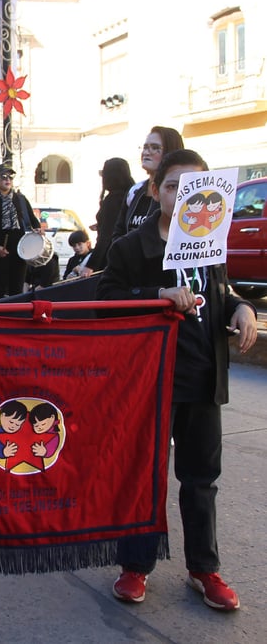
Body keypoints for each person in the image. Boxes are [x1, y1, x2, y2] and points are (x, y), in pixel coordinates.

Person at [96, 149, 258, 611]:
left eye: (196, 187)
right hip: (149, 380)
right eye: (174, 186)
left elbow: (219, 295)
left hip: (203, 377)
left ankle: (204, 569)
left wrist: (240, 308)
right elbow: (105, 299)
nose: (186, 196)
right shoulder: (132, 247)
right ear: (155, 190)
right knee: (143, 476)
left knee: (201, 479)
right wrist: (157, 296)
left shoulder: (211, 241)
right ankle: (135, 565)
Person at [0, 164, 42, 299]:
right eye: (4, 177)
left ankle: (15, 317)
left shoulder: (20, 198)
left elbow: (32, 219)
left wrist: (38, 228)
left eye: (11, 177)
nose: (8, 180)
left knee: (17, 288)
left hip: (19, 250)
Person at [112, 126, 184, 240]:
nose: (146, 152)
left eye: (155, 147)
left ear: (170, 151)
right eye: (145, 147)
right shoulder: (134, 191)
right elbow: (118, 231)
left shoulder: (181, 192)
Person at [77, 158, 134, 277]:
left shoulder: (112, 200)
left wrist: (90, 265)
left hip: (111, 258)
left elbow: (105, 237)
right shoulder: (131, 196)